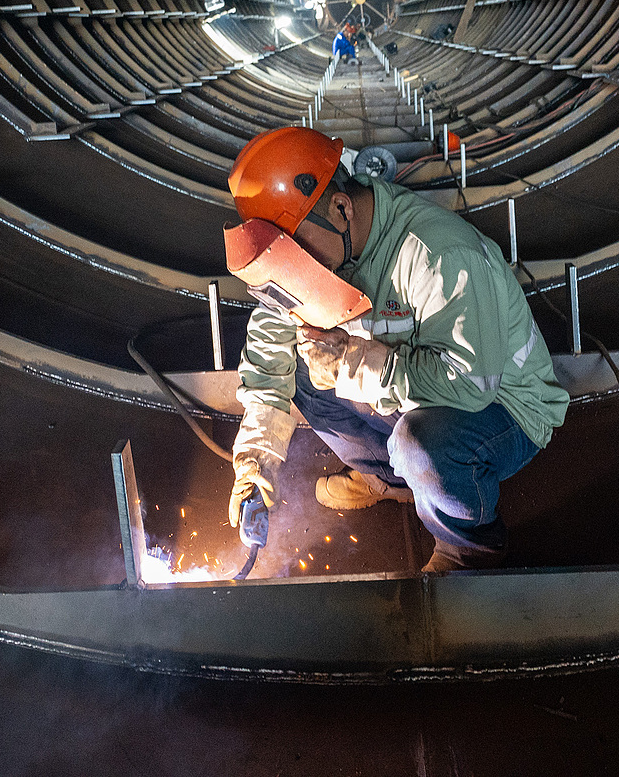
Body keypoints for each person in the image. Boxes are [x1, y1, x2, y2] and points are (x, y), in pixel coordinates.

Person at [224, 126, 568, 571]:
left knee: (419, 443)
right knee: (304, 378)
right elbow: (269, 363)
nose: (297, 268)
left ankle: (467, 547)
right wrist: (254, 465)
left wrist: (348, 363)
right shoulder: (317, 251)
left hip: (501, 404)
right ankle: (394, 480)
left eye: (299, 251)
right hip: (408, 386)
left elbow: (469, 384)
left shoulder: (437, 252)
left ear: (341, 207)